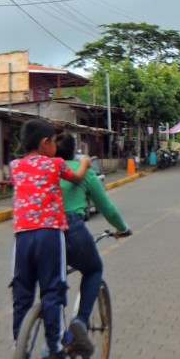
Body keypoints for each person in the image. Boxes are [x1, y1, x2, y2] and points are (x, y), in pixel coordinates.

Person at [9, 119, 92, 359]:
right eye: (54, 141)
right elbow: (76, 179)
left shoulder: (15, 166)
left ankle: (19, 349)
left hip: (22, 236)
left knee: (21, 293)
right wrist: (85, 163)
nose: (56, 146)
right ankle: (55, 348)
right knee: (52, 291)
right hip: (50, 234)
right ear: (45, 143)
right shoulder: (55, 164)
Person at [55, 133, 132, 336]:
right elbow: (107, 209)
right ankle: (80, 321)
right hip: (72, 231)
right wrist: (123, 228)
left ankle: (51, 340)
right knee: (93, 269)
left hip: (44, 234)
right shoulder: (84, 172)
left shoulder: (46, 170)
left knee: (52, 283)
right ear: (74, 151)